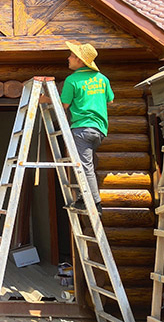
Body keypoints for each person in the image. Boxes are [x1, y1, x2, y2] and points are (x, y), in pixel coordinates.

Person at [58, 41, 114, 217]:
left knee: (84, 166)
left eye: (72, 56)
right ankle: (83, 198)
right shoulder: (102, 78)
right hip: (99, 130)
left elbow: (64, 105)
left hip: (82, 128)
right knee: (86, 164)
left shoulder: (72, 80)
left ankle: (95, 203)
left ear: (80, 61)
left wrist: (44, 99)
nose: (68, 58)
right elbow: (110, 100)